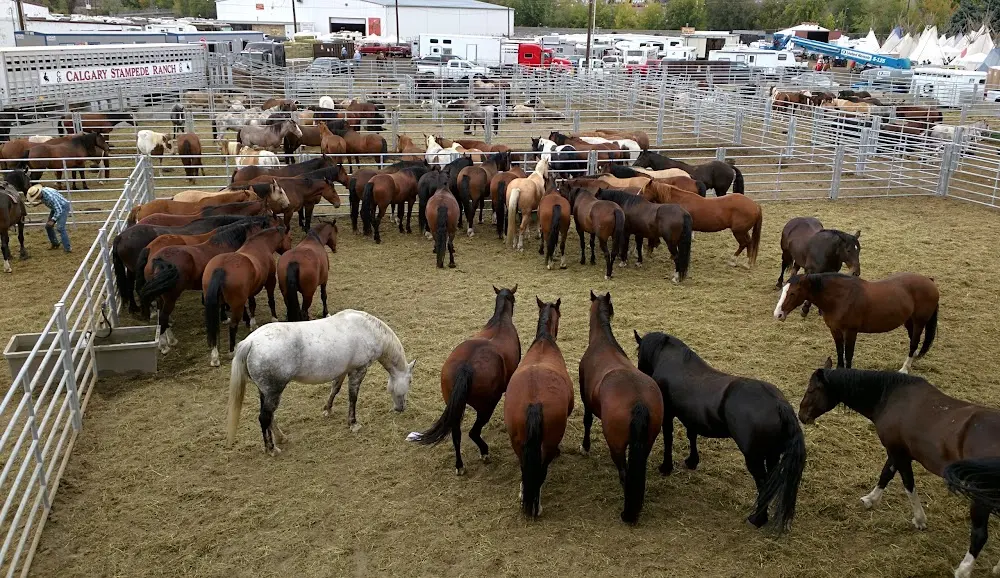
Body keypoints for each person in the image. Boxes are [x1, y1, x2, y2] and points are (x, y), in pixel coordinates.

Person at [25, 184, 71, 253]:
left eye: (36, 197)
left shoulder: (50, 197)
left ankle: (67, 248)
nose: (36, 199)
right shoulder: (43, 192)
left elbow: (59, 210)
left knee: (60, 228)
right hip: (56, 207)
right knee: (48, 226)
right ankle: (55, 243)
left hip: (62, 207)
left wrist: (53, 220)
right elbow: (46, 199)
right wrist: (38, 203)